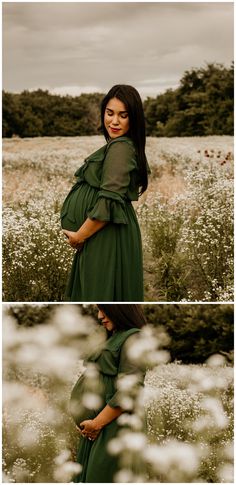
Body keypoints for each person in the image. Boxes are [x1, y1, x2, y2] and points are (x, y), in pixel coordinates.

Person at [61, 84, 149, 301]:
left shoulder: (121, 147)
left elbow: (109, 198)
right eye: (110, 113)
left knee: (99, 291)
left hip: (106, 234)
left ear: (133, 118)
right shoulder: (120, 145)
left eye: (123, 115)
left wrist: (79, 235)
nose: (114, 121)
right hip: (101, 232)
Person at [70, 304, 147, 483]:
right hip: (95, 427)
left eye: (104, 310)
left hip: (113, 424)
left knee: (104, 476)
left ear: (120, 310)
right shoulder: (111, 335)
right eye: (98, 310)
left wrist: (97, 423)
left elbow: (131, 389)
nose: (99, 316)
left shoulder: (134, 337)